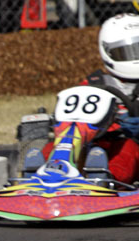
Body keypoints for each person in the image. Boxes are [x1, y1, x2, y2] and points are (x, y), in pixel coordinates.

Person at [39, 13, 139, 184]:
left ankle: (105, 181)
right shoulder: (92, 85)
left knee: (127, 150)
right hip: (90, 143)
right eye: (126, 51)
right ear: (108, 53)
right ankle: (38, 176)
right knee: (51, 149)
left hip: (128, 146)